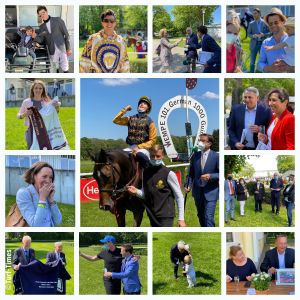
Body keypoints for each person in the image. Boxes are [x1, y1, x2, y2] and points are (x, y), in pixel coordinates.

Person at [127, 145, 186, 227]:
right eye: (152, 156)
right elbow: (145, 194)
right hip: (151, 215)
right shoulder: (145, 172)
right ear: (149, 156)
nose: (155, 158)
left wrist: (181, 219)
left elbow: (179, 196)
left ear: (163, 156)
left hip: (166, 216)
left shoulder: (169, 173)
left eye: (158, 156)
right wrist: (136, 191)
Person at [17, 80, 68, 150]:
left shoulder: (46, 101)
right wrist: (25, 114)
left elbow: (54, 113)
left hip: (45, 130)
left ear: (43, 90)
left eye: (40, 88)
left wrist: (57, 106)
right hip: (32, 131)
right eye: (36, 88)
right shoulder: (26, 102)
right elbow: (18, 116)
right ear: (32, 89)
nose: (38, 90)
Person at [80, 9, 129, 73]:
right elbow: (85, 60)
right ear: (102, 23)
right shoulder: (93, 39)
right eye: (106, 21)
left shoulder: (121, 41)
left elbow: (124, 64)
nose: (109, 23)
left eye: (112, 21)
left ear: (115, 23)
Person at [185, 134, 219, 227]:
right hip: (197, 191)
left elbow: (221, 174)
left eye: (203, 141)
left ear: (209, 143)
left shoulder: (216, 156)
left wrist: (211, 176)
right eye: (199, 140)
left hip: (211, 192)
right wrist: (188, 185)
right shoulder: (195, 156)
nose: (200, 142)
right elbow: (191, 174)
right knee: (201, 215)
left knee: (209, 216)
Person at [16, 161, 62, 227]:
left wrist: (51, 200)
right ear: (34, 176)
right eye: (44, 176)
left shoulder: (47, 194)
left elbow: (58, 221)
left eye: (50, 177)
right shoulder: (23, 193)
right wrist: (42, 199)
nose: (48, 181)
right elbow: (36, 225)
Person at [112, 96, 157, 161]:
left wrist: (139, 147)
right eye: (141, 103)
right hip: (130, 147)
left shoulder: (150, 122)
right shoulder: (130, 118)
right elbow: (115, 120)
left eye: (145, 103)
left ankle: (148, 170)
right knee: (117, 156)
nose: (142, 104)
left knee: (140, 155)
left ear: (148, 108)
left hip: (143, 149)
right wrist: (125, 110)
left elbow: (153, 140)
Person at [35, 6, 72, 73]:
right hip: (52, 49)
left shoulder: (58, 20)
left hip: (61, 47)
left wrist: (68, 48)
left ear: (47, 11)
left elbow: (66, 35)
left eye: (43, 13)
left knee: (65, 68)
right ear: (39, 16)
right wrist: (34, 36)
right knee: (55, 68)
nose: (43, 15)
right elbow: (41, 40)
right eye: (40, 15)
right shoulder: (41, 27)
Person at [257, 8, 294, 73]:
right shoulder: (266, 42)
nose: (273, 25)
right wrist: (270, 68)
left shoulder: (293, 40)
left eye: (276, 22)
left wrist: (291, 68)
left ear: (283, 22)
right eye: (270, 24)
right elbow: (259, 64)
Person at [247, 8, 270, 73]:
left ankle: (261, 72)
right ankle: (251, 74)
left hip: (263, 44)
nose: (253, 15)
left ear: (259, 13)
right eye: (253, 13)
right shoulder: (251, 23)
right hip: (254, 44)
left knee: (263, 61)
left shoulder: (265, 22)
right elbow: (248, 34)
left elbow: (270, 33)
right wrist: (253, 36)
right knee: (252, 62)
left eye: (255, 13)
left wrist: (264, 35)